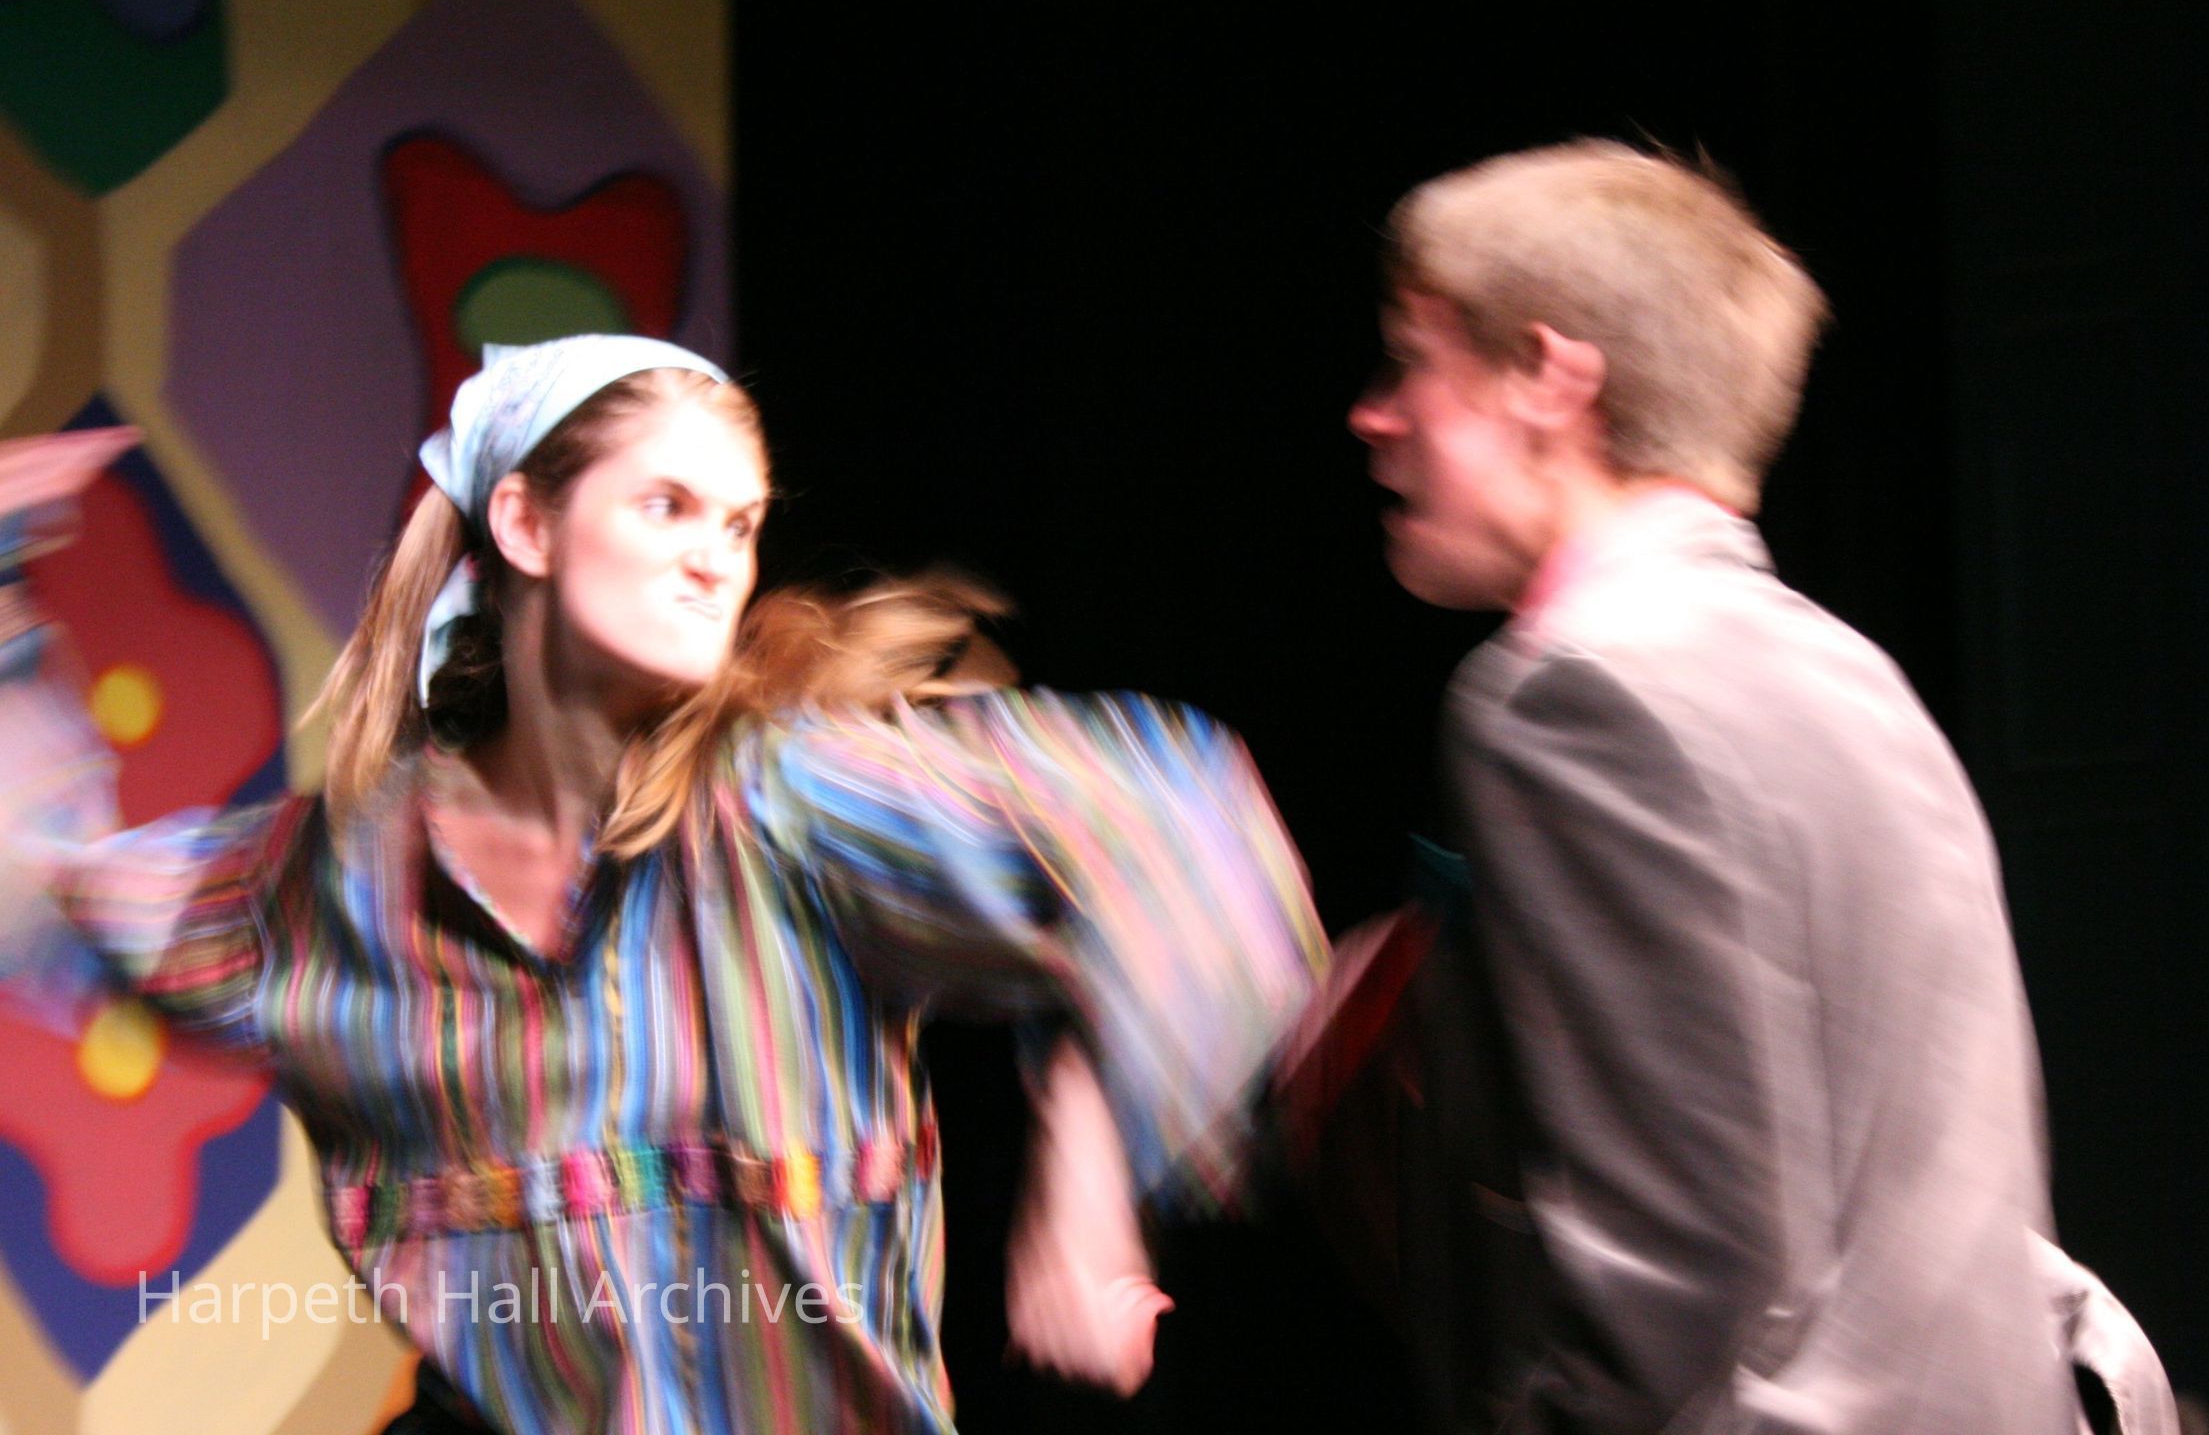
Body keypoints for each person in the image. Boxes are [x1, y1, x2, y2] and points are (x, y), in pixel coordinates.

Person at [0, 336, 1325, 1433]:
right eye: (668, 507)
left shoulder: (795, 813)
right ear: (525, 522)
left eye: (740, 524)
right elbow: (37, 892)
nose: (717, 560)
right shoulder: (329, 894)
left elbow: (1179, 822)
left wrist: (1088, 1177)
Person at [1338, 141, 2099, 1433]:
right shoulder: (1845, 675)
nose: (1376, 415)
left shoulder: (1576, 694)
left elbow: (1679, 1297)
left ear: (1549, 377)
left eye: (1414, 361)